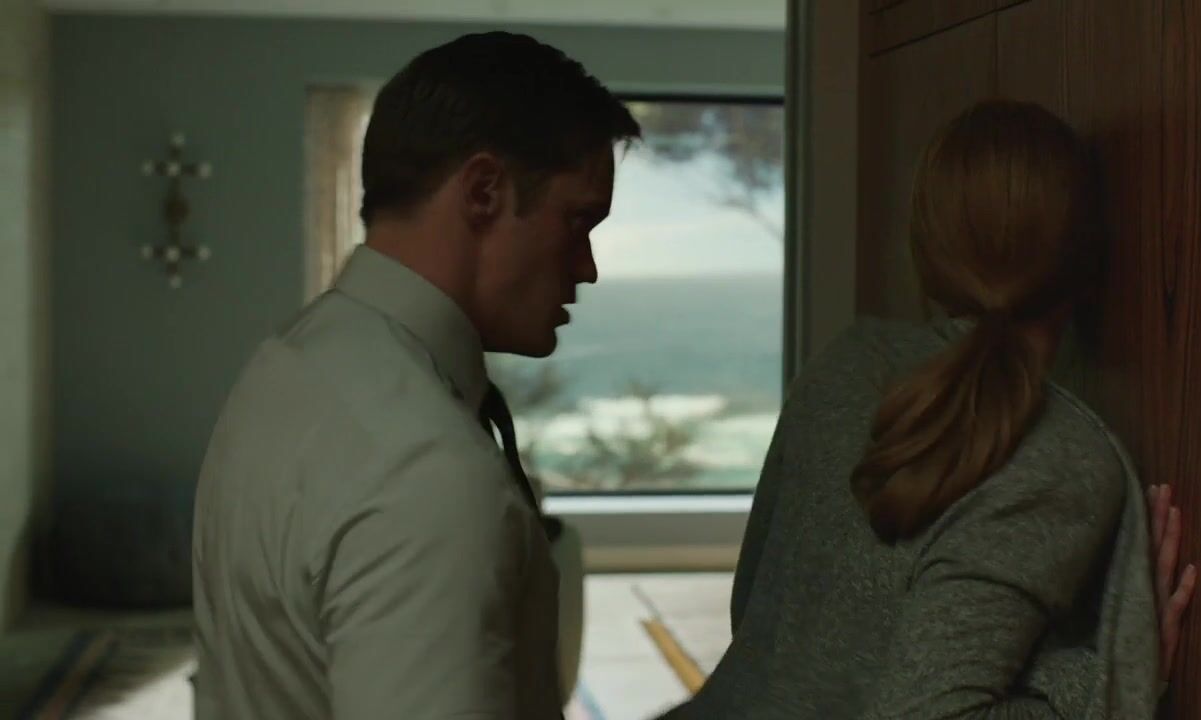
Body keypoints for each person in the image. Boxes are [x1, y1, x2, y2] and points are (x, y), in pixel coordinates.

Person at [660, 100, 1194, 719]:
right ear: (1090, 261)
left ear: (926, 250)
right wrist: (1110, 679)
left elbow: (762, 617)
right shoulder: (1060, 462)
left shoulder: (847, 364)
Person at [191, 32, 640, 720]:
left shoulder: (283, 369)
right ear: (483, 191)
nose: (588, 267)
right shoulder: (428, 471)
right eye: (577, 221)